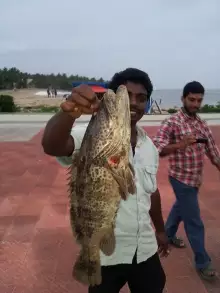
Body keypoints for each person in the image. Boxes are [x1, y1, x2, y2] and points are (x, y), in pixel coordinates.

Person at [42, 68, 169, 293]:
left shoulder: (149, 146)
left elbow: (153, 192)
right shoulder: (92, 133)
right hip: (108, 253)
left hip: (145, 248)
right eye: (127, 96)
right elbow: (52, 145)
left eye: (141, 98)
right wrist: (69, 112)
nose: (134, 103)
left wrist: (160, 230)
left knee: (156, 285)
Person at [153, 81, 220, 281]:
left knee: (180, 208)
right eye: (192, 99)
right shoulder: (172, 122)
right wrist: (180, 144)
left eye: (199, 100)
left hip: (195, 178)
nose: (196, 104)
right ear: (183, 98)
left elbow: (213, 151)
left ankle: (169, 234)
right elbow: (157, 148)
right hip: (180, 178)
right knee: (194, 222)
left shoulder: (201, 124)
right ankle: (203, 262)